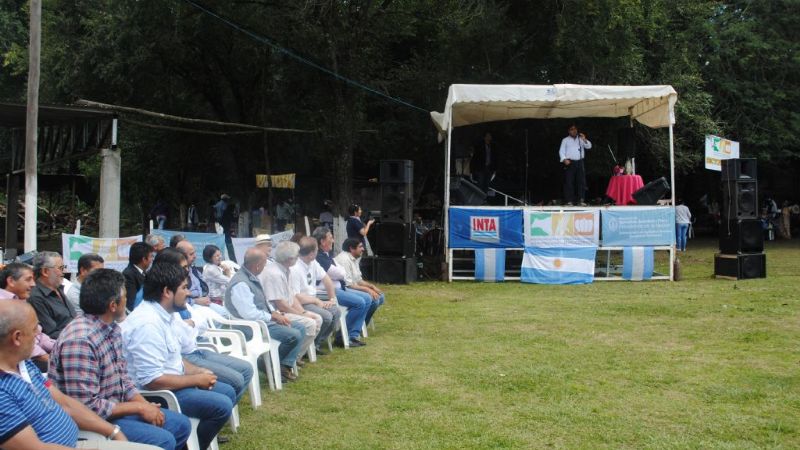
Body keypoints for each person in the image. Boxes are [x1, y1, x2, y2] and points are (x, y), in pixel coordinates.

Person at [49, 269, 192, 450]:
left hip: (115, 410)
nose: (127, 300)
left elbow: (123, 380)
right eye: (124, 296)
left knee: (180, 425)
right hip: (90, 423)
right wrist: (138, 409)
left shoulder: (111, 328)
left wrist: (144, 404)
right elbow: (85, 407)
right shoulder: (80, 341)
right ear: (113, 305)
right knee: (163, 440)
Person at [0, 300, 165, 449]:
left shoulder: (24, 364)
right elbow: (34, 448)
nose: (39, 334)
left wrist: (113, 431)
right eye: (35, 328)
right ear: (17, 338)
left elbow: (65, 403)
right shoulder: (2, 391)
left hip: (80, 440)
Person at [121, 261, 234, 450]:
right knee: (221, 405)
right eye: (184, 288)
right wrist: (196, 379)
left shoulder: (165, 314)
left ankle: (194, 443)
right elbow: (152, 380)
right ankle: (192, 444)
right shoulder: (147, 325)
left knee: (227, 391)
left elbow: (173, 357)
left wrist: (198, 370)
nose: (189, 293)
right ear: (167, 291)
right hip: (157, 394)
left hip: (172, 381)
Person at [225, 248, 305, 382]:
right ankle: (269, 365)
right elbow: (249, 314)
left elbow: (263, 301)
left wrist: (274, 312)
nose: (265, 267)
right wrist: (273, 317)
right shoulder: (241, 283)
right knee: (293, 335)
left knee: (300, 327)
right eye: (264, 264)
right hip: (251, 327)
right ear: (257, 266)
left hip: (262, 321)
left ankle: (281, 366)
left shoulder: (250, 276)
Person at [261, 241, 318, 364]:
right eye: (297, 256)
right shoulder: (274, 273)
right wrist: (302, 315)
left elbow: (292, 297)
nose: (298, 258)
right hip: (277, 313)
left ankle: (295, 356)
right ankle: (289, 360)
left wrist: (302, 312)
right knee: (310, 323)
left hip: (284, 310)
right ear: (289, 259)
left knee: (316, 318)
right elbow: (280, 304)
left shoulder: (287, 270)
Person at [313, 227, 369, 347]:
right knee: (360, 303)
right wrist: (340, 272)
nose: (333, 241)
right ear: (322, 241)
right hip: (328, 291)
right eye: (331, 238)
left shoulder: (327, 254)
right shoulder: (319, 256)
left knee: (367, 299)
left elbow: (340, 272)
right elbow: (339, 273)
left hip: (338, 289)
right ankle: (342, 337)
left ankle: (353, 335)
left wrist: (340, 272)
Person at [290, 236, 341, 355]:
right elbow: (296, 296)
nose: (318, 251)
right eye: (317, 249)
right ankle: (310, 346)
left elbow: (326, 279)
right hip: (302, 303)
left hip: (313, 299)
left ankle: (316, 343)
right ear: (312, 253)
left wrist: (332, 299)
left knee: (336, 311)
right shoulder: (295, 268)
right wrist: (317, 301)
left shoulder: (313, 262)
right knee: (327, 316)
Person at [0, 262, 55, 371]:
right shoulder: (3, 305)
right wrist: (49, 359)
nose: (33, 284)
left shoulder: (22, 300)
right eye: (28, 279)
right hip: (23, 362)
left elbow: (38, 335)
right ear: (11, 281)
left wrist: (60, 348)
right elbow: (24, 342)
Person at [335, 238, 385, 329]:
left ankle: (361, 324)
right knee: (373, 299)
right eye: (360, 247)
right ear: (351, 249)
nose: (363, 249)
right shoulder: (344, 260)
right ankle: (359, 325)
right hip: (344, 290)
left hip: (351, 288)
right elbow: (348, 285)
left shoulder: (354, 258)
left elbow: (358, 280)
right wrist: (368, 290)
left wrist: (371, 286)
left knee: (380, 296)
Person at [28, 251, 76, 340]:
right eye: (61, 268)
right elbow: (50, 333)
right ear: (45, 271)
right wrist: (80, 334)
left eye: (64, 267)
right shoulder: (36, 297)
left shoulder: (58, 288)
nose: (64, 271)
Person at [176, 240, 230, 318]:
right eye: (191, 254)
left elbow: (203, 285)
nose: (195, 256)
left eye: (194, 253)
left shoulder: (193, 269)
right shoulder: (177, 273)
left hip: (204, 300)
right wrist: (195, 301)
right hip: (191, 304)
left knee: (224, 313)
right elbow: (175, 299)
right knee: (216, 318)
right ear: (181, 256)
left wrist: (204, 298)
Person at [559, 124, 592, 206]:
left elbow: (589, 146)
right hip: (570, 162)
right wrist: (564, 159)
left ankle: (581, 200)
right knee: (569, 182)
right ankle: (569, 201)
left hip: (580, 162)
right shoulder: (565, 140)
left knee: (581, 182)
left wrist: (584, 139)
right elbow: (561, 151)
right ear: (569, 131)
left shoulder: (580, 139)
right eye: (572, 129)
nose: (574, 131)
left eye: (575, 129)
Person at [123, 242, 154, 311]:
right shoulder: (128, 275)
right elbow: (131, 303)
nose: (152, 259)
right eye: (151, 256)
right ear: (144, 259)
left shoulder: (144, 272)